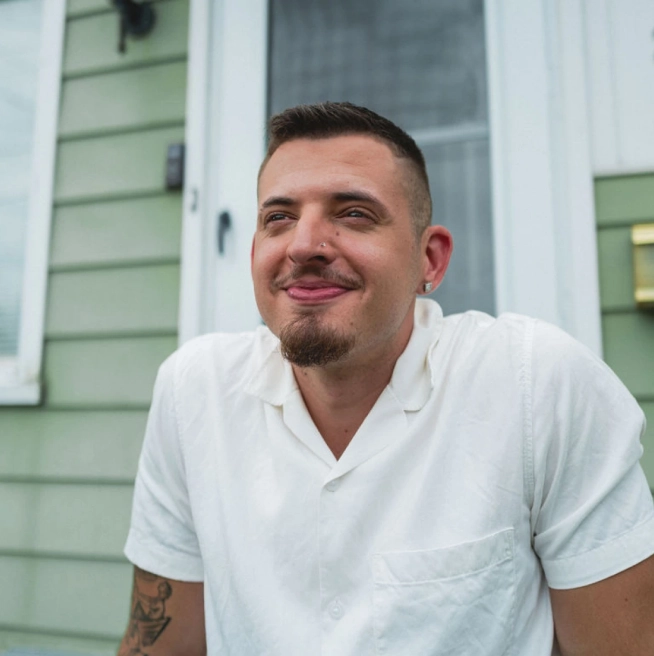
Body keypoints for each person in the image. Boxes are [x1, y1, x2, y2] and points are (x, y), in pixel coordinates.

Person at [118, 102, 654, 656]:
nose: (303, 245)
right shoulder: (194, 393)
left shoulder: (536, 386)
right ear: (255, 253)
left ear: (430, 259)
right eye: (279, 218)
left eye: (353, 213)